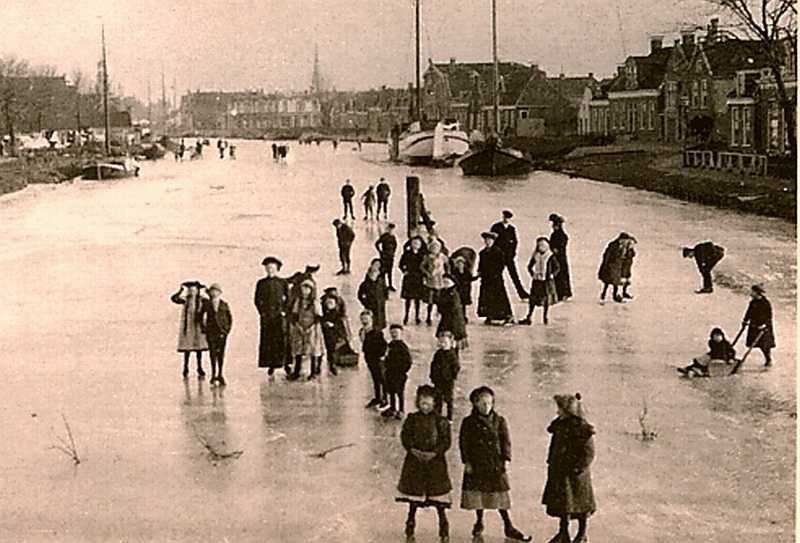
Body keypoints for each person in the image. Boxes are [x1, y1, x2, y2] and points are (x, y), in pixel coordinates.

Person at [460, 386, 530, 541]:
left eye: (490, 403)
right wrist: (467, 461)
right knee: (479, 495)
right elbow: (464, 443)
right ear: (475, 404)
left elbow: (506, 441)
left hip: (494, 464)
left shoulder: (499, 420)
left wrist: (505, 458)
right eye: (483, 403)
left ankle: (508, 526)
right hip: (477, 463)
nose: (487, 407)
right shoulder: (468, 422)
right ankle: (479, 521)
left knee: (500, 496)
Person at [396, 385, 453, 541]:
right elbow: (405, 437)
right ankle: (410, 524)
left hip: (435, 464)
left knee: (438, 499)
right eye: (422, 403)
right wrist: (413, 450)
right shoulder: (412, 418)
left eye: (428, 403)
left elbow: (446, 441)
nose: (425, 406)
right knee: (414, 499)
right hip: (415, 462)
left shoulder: (441, 421)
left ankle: (443, 526)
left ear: (434, 403)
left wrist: (434, 453)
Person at [542, 393, 596, 543]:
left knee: (581, 506)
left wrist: (578, 468)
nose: (557, 412)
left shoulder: (582, 429)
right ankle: (563, 533)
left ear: (569, 411)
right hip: (559, 471)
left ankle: (582, 534)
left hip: (576, 475)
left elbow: (589, 453)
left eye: (560, 410)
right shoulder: (560, 425)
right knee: (563, 505)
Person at [254, 256, 290, 376]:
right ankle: (271, 364)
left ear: (277, 269)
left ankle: (285, 363)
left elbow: (288, 299)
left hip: (279, 316)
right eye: (268, 268)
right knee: (268, 341)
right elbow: (257, 300)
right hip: (267, 317)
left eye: (272, 268)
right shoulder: (261, 283)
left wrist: (284, 311)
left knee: (282, 339)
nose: (270, 270)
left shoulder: (282, 282)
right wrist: (262, 312)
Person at [288, 279, 326, 381]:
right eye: (303, 289)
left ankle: (313, 371)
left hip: (313, 328)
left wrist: (312, 327)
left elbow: (319, 317)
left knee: (313, 349)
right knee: (298, 349)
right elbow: (295, 314)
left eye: (307, 289)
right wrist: (298, 326)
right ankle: (297, 371)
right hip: (300, 328)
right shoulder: (298, 301)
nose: (305, 291)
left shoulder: (315, 302)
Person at [171, 281, 209, 378]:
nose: (192, 292)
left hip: (197, 326)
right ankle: (186, 368)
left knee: (198, 349)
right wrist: (180, 290)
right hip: (188, 327)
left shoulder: (201, 300)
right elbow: (174, 298)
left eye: (194, 289)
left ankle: (199, 367)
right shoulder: (185, 300)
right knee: (187, 349)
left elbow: (209, 300)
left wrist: (206, 290)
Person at [520, 237, 560, 326]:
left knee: (546, 299)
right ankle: (529, 316)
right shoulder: (536, 255)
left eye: (543, 245)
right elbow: (529, 266)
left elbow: (557, 267)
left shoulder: (550, 256)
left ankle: (545, 317)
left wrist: (552, 275)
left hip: (546, 282)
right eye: (540, 245)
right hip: (537, 281)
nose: (541, 247)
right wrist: (532, 274)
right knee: (533, 299)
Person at [490, 210, 528, 300]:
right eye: (505, 217)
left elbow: (515, 242)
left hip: (508, 256)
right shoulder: (496, 227)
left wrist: (513, 253)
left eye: (508, 218)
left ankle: (522, 293)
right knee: (496, 275)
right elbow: (492, 241)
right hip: (499, 257)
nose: (506, 219)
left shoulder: (511, 229)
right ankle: (494, 294)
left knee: (514, 275)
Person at [199, 283, 232, 386]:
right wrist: (203, 329)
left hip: (222, 333)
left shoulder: (224, 304)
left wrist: (226, 330)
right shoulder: (207, 304)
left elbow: (229, 319)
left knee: (221, 354)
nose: (214, 293)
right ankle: (213, 375)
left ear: (220, 293)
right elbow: (200, 317)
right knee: (212, 354)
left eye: (216, 291)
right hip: (211, 332)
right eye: (212, 291)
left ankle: (220, 374)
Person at [477, 232, 513, 324]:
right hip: (485, 279)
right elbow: (480, 265)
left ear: (493, 241)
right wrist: (479, 272)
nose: (487, 242)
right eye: (486, 240)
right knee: (487, 297)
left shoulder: (498, 251)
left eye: (489, 240)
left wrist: (496, 273)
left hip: (496, 279)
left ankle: (506, 315)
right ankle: (490, 315)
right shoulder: (482, 252)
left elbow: (501, 264)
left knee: (499, 297)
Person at [383, 324, 412, 419]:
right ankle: (392, 408)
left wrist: (403, 370)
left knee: (400, 392)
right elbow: (386, 356)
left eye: (396, 332)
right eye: (392, 333)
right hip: (390, 372)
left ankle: (401, 410)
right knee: (391, 391)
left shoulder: (403, 347)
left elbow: (408, 361)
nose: (394, 334)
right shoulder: (390, 345)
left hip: (399, 373)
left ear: (401, 333)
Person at [360, 310, 388, 409]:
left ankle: (385, 399)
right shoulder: (362, 331)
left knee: (381, 378)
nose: (364, 321)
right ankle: (377, 397)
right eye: (362, 319)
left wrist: (381, 355)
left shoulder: (376, 332)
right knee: (375, 378)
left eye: (366, 319)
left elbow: (383, 345)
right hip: (369, 357)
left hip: (377, 358)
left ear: (371, 319)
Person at [742, 284, 775, 367]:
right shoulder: (753, 302)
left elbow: (769, 316)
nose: (751, 293)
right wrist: (745, 321)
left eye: (752, 291)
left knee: (765, 345)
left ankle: (768, 359)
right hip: (754, 325)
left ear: (757, 292)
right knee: (754, 342)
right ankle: (768, 359)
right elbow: (748, 312)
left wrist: (765, 325)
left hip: (764, 327)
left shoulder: (765, 303)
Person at [430, 331, 460, 421]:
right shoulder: (438, 354)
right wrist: (432, 376)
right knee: (438, 398)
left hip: (447, 380)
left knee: (448, 399)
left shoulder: (452, 354)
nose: (443, 344)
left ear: (450, 343)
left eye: (445, 343)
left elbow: (456, 366)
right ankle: (438, 415)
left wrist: (452, 376)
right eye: (441, 342)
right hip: (438, 380)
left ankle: (449, 417)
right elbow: (433, 365)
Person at [320, 287, 351, 375]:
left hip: (336, 335)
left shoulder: (338, 315)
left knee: (333, 350)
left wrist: (333, 325)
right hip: (327, 334)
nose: (329, 304)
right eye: (328, 303)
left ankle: (333, 365)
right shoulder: (326, 313)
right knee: (329, 349)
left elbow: (341, 327)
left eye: (331, 303)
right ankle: (331, 364)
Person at [421, 239, 450, 326]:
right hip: (431, 280)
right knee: (430, 300)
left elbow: (448, 266)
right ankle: (428, 316)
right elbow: (422, 266)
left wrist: (447, 275)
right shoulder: (427, 257)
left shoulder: (443, 257)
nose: (435, 249)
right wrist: (427, 274)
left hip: (440, 280)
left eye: (436, 247)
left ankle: (440, 315)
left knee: (440, 299)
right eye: (433, 247)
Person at [400, 235, 427, 325]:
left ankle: (417, 316)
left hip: (418, 278)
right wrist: (404, 271)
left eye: (418, 243)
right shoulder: (407, 253)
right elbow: (401, 264)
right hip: (409, 277)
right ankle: (406, 315)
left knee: (417, 299)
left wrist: (424, 274)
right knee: (408, 299)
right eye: (414, 243)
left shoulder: (423, 254)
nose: (416, 245)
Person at [358, 258, 389, 331]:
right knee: (372, 322)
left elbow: (385, 290)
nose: (373, 275)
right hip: (371, 305)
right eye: (372, 274)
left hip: (380, 304)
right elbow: (360, 295)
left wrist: (384, 298)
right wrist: (365, 303)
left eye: (375, 273)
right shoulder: (365, 284)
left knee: (380, 321)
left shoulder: (380, 282)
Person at [436, 277, 467, 349]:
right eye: (444, 282)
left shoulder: (453, 294)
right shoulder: (443, 292)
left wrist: (442, 309)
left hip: (453, 320)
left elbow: (454, 307)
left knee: (453, 339)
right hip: (447, 319)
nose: (445, 284)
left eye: (447, 282)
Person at [598, 233, 627, 303]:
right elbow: (608, 255)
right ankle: (604, 295)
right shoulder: (614, 245)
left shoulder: (621, 246)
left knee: (614, 282)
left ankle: (612, 296)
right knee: (608, 281)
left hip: (617, 266)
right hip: (611, 266)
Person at [549, 214, 572, 301]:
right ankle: (561, 293)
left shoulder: (561, 235)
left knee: (561, 275)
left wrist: (556, 249)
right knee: (559, 276)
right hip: (557, 258)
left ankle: (563, 293)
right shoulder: (555, 234)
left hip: (560, 258)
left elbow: (561, 245)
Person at [450, 250, 477, 323]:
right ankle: (458, 316)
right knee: (458, 303)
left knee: (463, 304)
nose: (460, 265)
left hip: (465, 290)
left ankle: (463, 316)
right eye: (458, 264)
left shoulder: (466, 271)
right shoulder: (455, 272)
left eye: (461, 264)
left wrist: (477, 277)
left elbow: (470, 278)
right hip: (458, 289)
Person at [375, 223, 398, 291]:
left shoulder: (393, 237)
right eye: (390, 229)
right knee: (383, 271)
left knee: (390, 271)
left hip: (390, 256)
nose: (391, 231)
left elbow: (395, 245)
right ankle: (384, 285)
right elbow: (377, 244)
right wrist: (381, 252)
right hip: (384, 256)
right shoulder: (384, 236)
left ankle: (390, 285)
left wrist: (393, 252)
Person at [620, 234, 637, 300]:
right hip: (624, 266)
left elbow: (633, 255)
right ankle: (620, 293)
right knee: (621, 279)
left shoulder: (630, 249)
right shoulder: (624, 249)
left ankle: (624, 292)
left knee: (626, 279)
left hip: (628, 266)